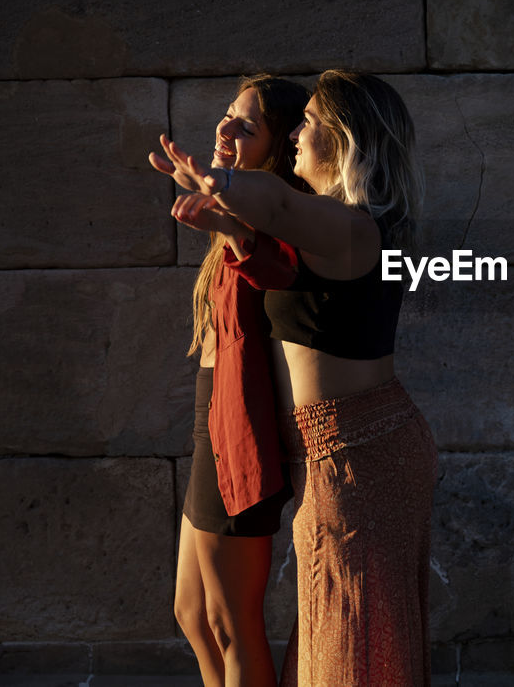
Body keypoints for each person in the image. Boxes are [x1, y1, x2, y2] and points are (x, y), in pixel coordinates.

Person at [151, 70, 439, 686]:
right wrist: (228, 221)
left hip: (361, 451)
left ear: (343, 140)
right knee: (337, 634)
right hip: (339, 448)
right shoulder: (327, 225)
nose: (297, 137)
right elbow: (275, 257)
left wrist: (220, 182)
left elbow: (278, 204)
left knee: (350, 643)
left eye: (307, 123)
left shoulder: (357, 228)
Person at [172, 75, 310, 687]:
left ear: (278, 148)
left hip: (238, 426)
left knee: (232, 626)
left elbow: (281, 269)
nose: (224, 129)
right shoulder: (237, 207)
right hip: (212, 418)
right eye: (228, 115)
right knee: (193, 615)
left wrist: (230, 225)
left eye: (246, 126)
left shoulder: (284, 206)